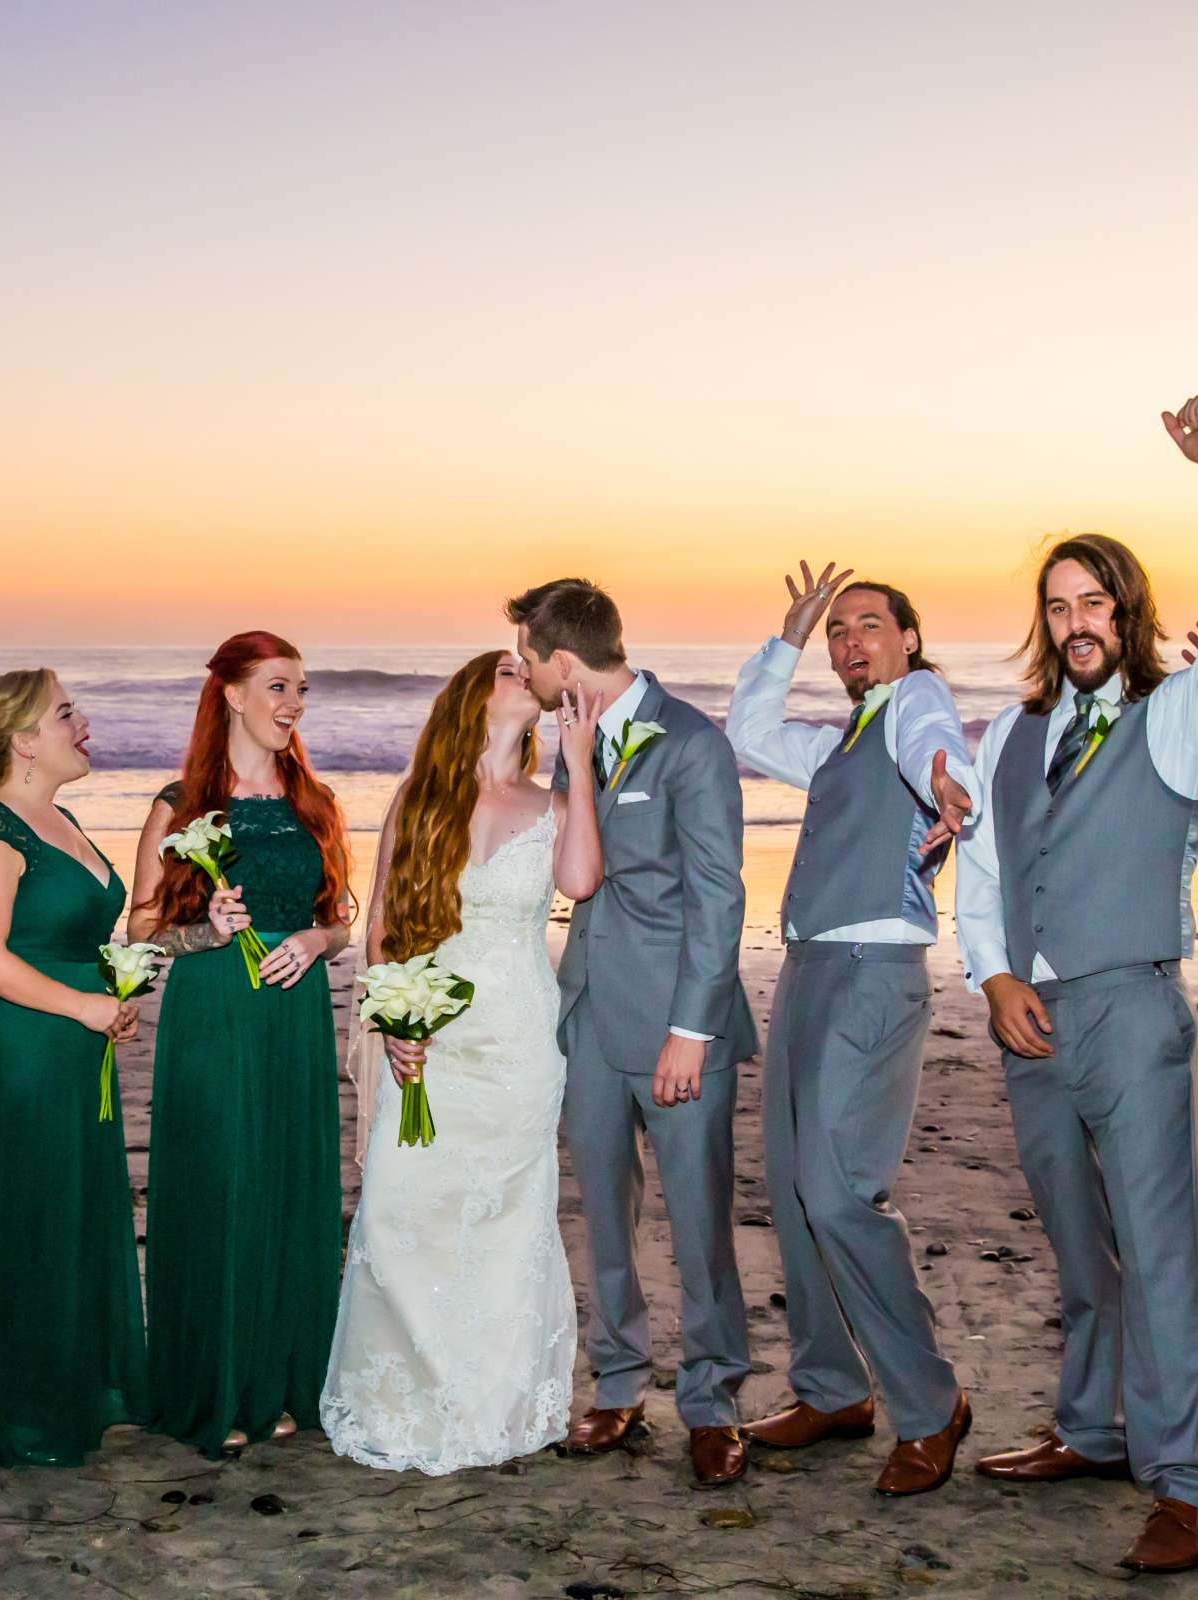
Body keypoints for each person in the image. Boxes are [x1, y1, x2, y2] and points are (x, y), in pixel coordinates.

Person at [953, 397, 1198, 1572]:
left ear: (1127, 611)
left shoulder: (1177, 715)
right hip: (1028, 1020)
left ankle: (1188, 1478)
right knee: (1076, 1245)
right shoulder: (1011, 733)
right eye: (1058, 605)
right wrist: (991, 977)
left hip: (1133, 1009)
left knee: (1156, 1248)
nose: (1076, 621)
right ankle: (1091, 1430)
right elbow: (984, 868)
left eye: (1094, 601)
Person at [724, 567, 980, 1494]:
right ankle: (831, 1388)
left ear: (909, 640)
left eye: (869, 624)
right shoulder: (839, 743)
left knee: (839, 1194)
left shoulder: (916, 702)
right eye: (839, 631)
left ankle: (928, 1400)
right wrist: (786, 634)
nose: (851, 641)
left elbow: (936, 745)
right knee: (792, 1190)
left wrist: (951, 783)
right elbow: (749, 730)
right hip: (807, 971)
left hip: (874, 974)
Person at [320, 652, 603, 1473]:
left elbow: (581, 880)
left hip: (515, 1039)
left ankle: (489, 1401)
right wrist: (395, 1020)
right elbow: (381, 930)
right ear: (473, 699)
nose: (526, 678)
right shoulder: (421, 798)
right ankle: (404, 1396)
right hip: (432, 1032)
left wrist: (580, 766)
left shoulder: (551, 801)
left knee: (506, 1219)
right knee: (404, 1210)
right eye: (508, 670)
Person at [506, 578, 759, 1489]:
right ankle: (617, 1382)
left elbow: (719, 898)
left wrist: (691, 1030)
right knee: (604, 1218)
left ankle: (713, 1398)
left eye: (530, 660)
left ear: (562, 661)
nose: (526, 676)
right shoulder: (570, 746)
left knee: (700, 1222)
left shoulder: (692, 744)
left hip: (679, 1029)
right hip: (587, 1017)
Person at [128, 631, 353, 1458]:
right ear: (229, 693)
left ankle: (278, 1380)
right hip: (214, 1016)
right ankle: (210, 1387)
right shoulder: (179, 804)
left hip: (295, 1018)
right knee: (219, 1189)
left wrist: (319, 943)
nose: (293, 705)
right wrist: (205, 932)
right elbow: (142, 930)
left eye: (302, 691)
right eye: (278, 687)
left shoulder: (314, 801)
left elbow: (341, 915)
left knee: (289, 1189)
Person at [0, 670, 156, 1467]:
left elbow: (75, 937)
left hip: (76, 1047)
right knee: (27, 1214)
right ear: (24, 739)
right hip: (26, 1051)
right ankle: (21, 1413)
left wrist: (114, 989)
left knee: (72, 1211)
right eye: (66, 712)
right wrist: (86, 1007)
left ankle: (72, 1389)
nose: (84, 722)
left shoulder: (58, 818)